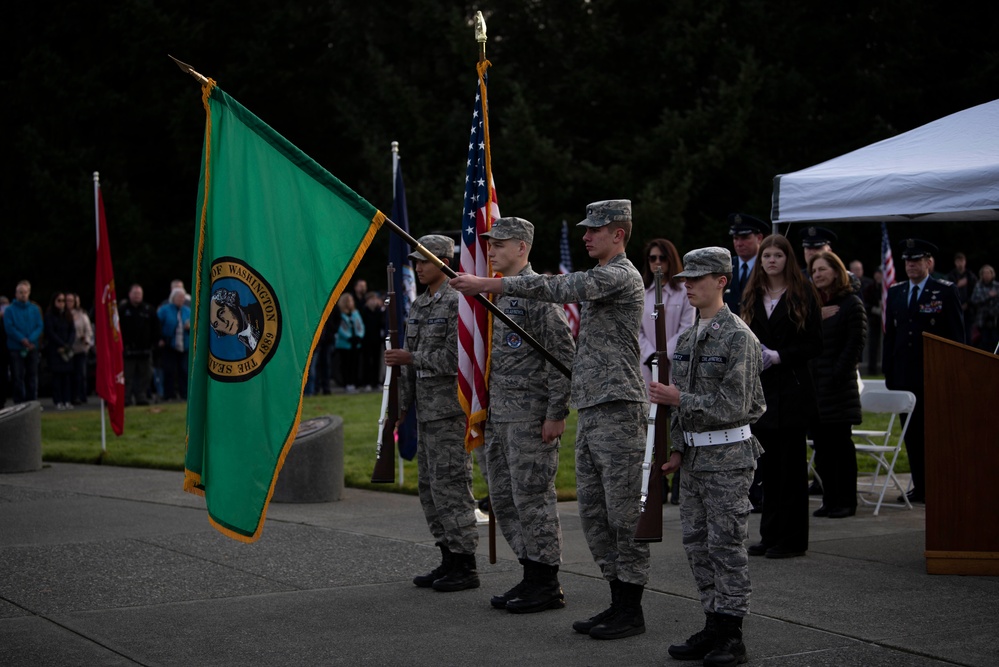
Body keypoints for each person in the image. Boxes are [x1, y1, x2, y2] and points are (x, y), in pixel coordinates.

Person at [452, 199, 649, 640]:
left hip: (619, 406)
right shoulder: (602, 277)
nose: (586, 236)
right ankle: (617, 602)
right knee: (596, 517)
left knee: (620, 516)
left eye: (595, 230)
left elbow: (562, 290)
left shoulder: (620, 275)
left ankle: (628, 607)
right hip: (594, 405)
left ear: (619, 233)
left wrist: (489, 284)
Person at [649, 246, 764, 667]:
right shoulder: (687, 337)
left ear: (721, 281)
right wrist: (676, 447)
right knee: (697, 546)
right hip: (695, 461)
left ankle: (732, 633)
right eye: (687, 279)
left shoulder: (739, 337)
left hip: (729, 457)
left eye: (699, 278)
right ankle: (713, 621)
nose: (690, 285)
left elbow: (736, 403)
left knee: (726, 547)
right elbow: (677, 406)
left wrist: (681, 399)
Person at [472, 216, 575, 614]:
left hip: (532, 418)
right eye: (489, 244)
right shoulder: (494, 295)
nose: (491, 250)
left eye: (499, 244)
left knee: (533, 499)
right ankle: (531, 571)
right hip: (500, 416)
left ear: (522, 248)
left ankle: (546, 581)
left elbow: (561, 357)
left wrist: (556, 412)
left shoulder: (539, 297)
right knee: (503, 498)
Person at [384, 234, 479, 592]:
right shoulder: (420, 305)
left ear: (442, 262)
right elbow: (407, 366)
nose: (418, 266)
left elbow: (458, 360)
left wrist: (412, 358)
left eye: (424, 260)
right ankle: (447, 556)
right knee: (430, 488)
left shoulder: (457, 302)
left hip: (450, 412)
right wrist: (400, 408)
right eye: (416, 261)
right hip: (426, 411)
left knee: (452, 486)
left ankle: (465, 563)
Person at [743, 234, 822, 559]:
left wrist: (779, 356)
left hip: (791, 389)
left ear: (788, 259)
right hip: (761, 392)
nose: (771, 261)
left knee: (790, 470)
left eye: (777, 255)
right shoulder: (753, 294)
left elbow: (814, 344)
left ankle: (791, 539)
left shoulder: (803, 294)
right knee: (769, 471)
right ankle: (770, 534)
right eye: (766, 256)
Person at [883, 239, 965, 503]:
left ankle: (939, 485)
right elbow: (890, 334)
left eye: (916, 260)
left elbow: (956, 336)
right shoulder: (896, 292)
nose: (910, 265)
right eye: (907, 261)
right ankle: (920, 486)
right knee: (912, 434)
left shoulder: (944, 291)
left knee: (935, 435)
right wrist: (889, 370)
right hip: (905, 375)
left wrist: (953, 372)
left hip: (934, 374)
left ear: (929, 262)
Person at [808, 252, 867, 519]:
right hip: (815, 389)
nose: (817, 274)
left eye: (822, 269)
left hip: (838, 389)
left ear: (836, 271)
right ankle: (829, 499)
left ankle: (846, 501)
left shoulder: (851, 304)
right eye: (814, 271)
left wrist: (834, 375)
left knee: (841, 447)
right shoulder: (812, 307)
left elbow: (854, 346)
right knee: (822, 448)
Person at [639, 238, 695, 505]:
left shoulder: (684, 292)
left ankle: (681, 482)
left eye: (662, 258)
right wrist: (650, 354)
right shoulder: (644, 292)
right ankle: (656, 482)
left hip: (676, 368)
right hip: (649, 368)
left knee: (679, 425)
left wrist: (664, 354)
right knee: (653, 429)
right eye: (652, 258)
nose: (658, 263)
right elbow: (636, 330)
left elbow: (687, 327)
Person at [5, 280, 44, 404]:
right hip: (16, 348)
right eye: (20, 292)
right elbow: (9, 327)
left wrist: (31, 339)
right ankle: (19, 402)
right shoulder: (9, 310)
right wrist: (22, 339)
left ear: (29, 293)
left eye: (25, 292)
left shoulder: (34, 309)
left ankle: (32, 402)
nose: (23, 294)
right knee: (17, 376)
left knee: (32, 376)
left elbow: (39, 325)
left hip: (32, 347)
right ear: (16, 293)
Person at [722, 213, 768, 316]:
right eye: (735, 238)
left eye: (745, 237)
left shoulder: (767, 268)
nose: (739, 243)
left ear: (759, 238)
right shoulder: (725, 267)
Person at [157, 287, 191, 401]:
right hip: (169, 344)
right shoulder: (164, 310)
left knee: (184, 370)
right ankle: (169, 394)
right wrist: (160, 338)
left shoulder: (187, 311)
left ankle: (184, 394)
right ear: (173, 298)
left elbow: (195, 327)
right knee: (169, 370)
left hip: (184, 344)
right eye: (179, 297)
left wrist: (189, 327)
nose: (181, 299)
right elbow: (157, 325)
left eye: (182, 297)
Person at [44, 292, 76, 410]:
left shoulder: (68, 315)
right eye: (59, 301)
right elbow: (50, 332)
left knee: (67, 377)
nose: (62, 303)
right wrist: (61, 344)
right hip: (56, 350)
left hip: (67, 350)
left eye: (63, 301)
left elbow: (72, 330)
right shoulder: (49, 316)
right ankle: (58, 400)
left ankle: (67, 399)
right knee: (57, 376)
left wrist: (68, 344)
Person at [65, 293, 93, 405]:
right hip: (68, 348)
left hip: (80, 348)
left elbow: (88, 330)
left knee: (80, 374)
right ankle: (69, 396)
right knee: (68, 374)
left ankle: (81, 395)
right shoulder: (63, 315)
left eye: (72, 301)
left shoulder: (82, 315)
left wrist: (86, 339)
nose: (69, 303)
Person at [334, 293, 365, 394]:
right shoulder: (340, 314)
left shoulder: (356, 313)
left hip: (355, 343)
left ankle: (354, 383)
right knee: (345, 365)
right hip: (345, 344)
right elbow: (341, 328)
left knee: (355, 364)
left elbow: (360, 325)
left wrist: (359, 336)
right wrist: (349, 337)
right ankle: (346, 384)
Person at [946, 252, 978, 343]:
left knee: (968, 334)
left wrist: (968, 303)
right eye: (958, 261)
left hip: (968, 309)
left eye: (962, 261)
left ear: (965, 262)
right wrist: (957, 285)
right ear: (955, 262)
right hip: (955, 308)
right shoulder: (951, 276)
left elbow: (975, 291)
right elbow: (947, 292)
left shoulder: (970, 276)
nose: (960, 263)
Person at [359, 291, 386, 391]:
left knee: (376, 362)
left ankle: (376, 382)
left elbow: (382, 324)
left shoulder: (379, 311)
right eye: (371, 300)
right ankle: (367, 382)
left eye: (375, 299)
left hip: (377, 340)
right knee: (367, 361)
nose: (373, 302)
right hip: (366, 339)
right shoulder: (364, 311)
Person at [970, 264, 998, 352]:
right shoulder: (978, 286)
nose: (986, 275)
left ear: (992, 274)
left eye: (988, 273)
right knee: (983, 343)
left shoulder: (997, 286)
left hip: (995, 320)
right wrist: (988, 296)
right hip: (982, 320)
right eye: (984, 273)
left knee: (994, 342)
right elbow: (974, 300)